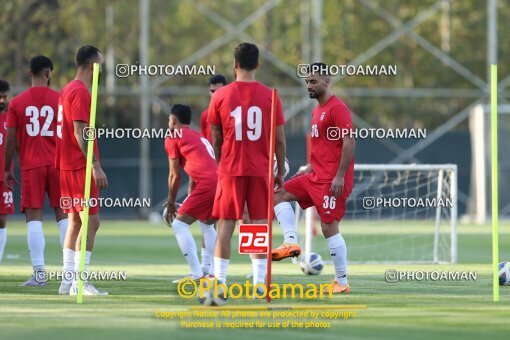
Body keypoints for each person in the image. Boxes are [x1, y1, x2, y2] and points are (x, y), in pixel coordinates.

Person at [208, 42, 286, 288]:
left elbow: (216, 136)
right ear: (258, 65)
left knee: (226, 224)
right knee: (258, 224)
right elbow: (280, 139)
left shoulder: (220, 95)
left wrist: (222, 163)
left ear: (235, 64)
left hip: (231, 169)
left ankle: (219, 283)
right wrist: (280, 170)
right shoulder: (271, 96)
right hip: (260, 169)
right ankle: (259, 283)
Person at [272, 63, 355, 294]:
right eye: (307, 81)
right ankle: (291, 242)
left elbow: (349, 142)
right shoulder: (316, 111)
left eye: (313, 81)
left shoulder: (337, 108)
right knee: (277, 195)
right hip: (314, 175)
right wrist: (309, 167)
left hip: (331, 181)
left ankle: (342, 281)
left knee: (329, 228)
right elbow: (326, 147)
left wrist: (339, 176)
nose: (309, 85)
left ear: (326, 82)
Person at [4, 56, 67, 286]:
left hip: (31, 166)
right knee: (64, 217)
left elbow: (10, 140)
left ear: (30, 72)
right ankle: (69, 273)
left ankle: (40, 275)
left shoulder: (17, 103)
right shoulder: (61, 99)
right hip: (58, 165)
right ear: (49, 73)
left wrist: (6, 169)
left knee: (33, 220)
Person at [55, 45, 108, 295]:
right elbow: (79, 132)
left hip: (66, 165)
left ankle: (68, 281)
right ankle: (80, 282)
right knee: (91, 222)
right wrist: (95, 165)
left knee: (75, 221)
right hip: (79, 166)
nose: (103, 70)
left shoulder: (66, 89)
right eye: (101, 65)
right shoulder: (80, 91)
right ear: (91, 66)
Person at [164, 104, 217, 283]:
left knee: (179, 226)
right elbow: (198, 168)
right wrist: (189, 196)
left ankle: (196, 273)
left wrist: (171, 203)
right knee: (207, 225)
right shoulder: (198, 135)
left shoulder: (173, 136)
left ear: (173, 120)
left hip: (208, 184)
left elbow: (174, 174)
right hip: (220, 181)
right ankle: (215, 273)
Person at [0, 79, 14, 264]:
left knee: (2, 219)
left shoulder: (10, 117)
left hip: (4, 177)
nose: (2, 101)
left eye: (4, 96)